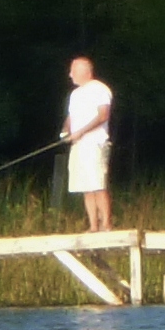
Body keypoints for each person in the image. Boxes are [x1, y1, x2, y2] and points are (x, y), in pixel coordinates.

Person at [60, 57, 113, 231]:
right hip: (78, 145)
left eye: (73, 71)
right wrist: (65, 131)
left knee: (97, 183)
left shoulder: (99, 89)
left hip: (95, 143)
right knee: (85, 186)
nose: (70, 75)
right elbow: (70, 117)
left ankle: (106, 224)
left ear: (86, 72)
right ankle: (93, 225)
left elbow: (103, 115)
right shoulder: (75, 94)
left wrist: (81, 131)